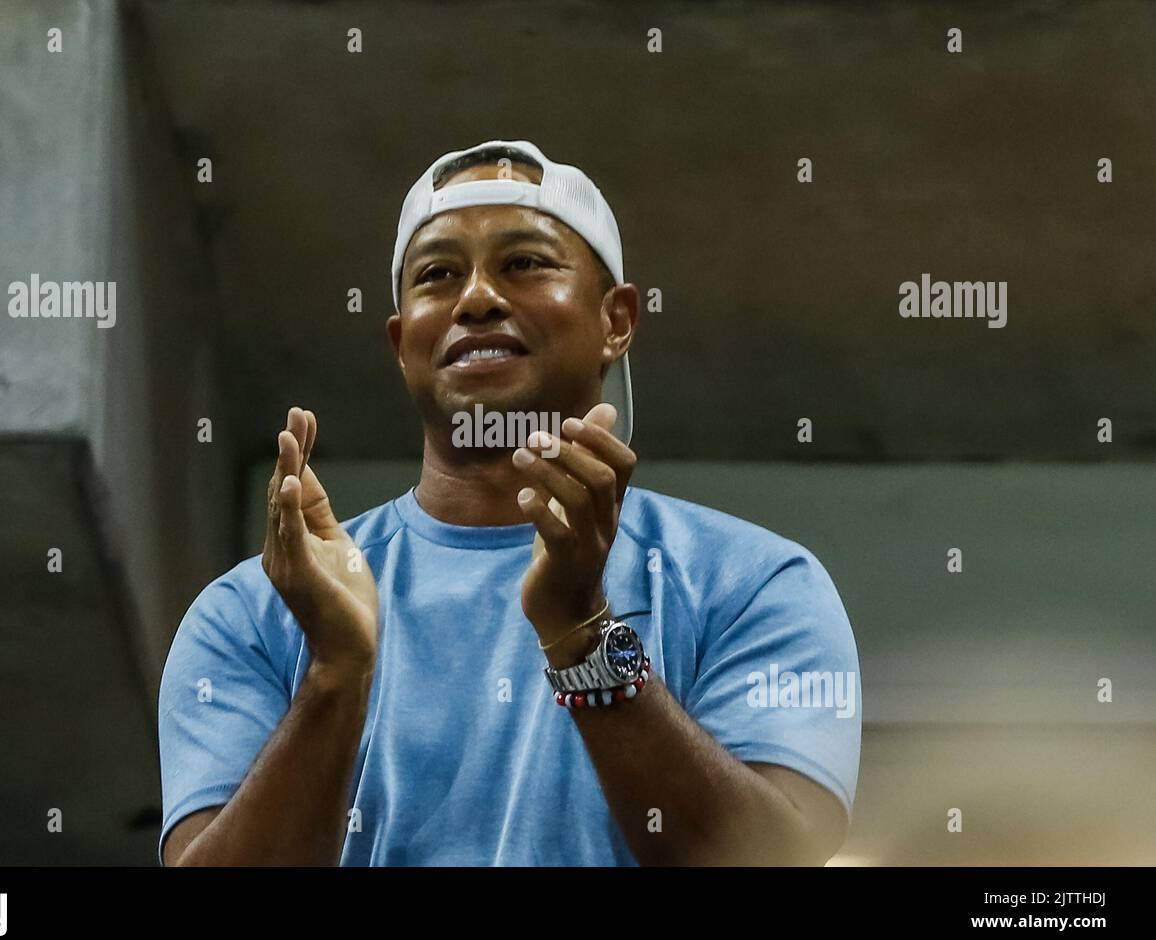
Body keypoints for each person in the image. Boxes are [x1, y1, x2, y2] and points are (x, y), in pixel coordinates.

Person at [158, 139, 860, 866]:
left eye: (523, 263)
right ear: (403, 345)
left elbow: (779, 858)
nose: (477, 298)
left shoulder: (752, 582)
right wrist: (335, 672)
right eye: (437, 275)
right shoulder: (253, 609)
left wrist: (583, 638)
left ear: (616, 320)